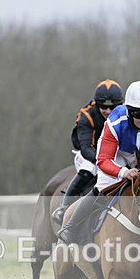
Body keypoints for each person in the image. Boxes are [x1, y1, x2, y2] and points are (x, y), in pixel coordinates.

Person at [57, 80, 140, 245]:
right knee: (103, 186)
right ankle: (71, 227)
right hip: (117, 153)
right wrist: (123, 172)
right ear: (129, 110)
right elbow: (103, 160)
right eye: (138, 114)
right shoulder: (115, 122)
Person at [51, 79, 124, 225]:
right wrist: (104, 163)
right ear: (96, 104)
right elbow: (85, 148)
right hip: (90, 154)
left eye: (113, 107)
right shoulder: (87, 115)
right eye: (103, 107)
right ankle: (64, 207)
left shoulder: (127, 113)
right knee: (88, 171)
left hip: (116, 152)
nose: (108, 112)